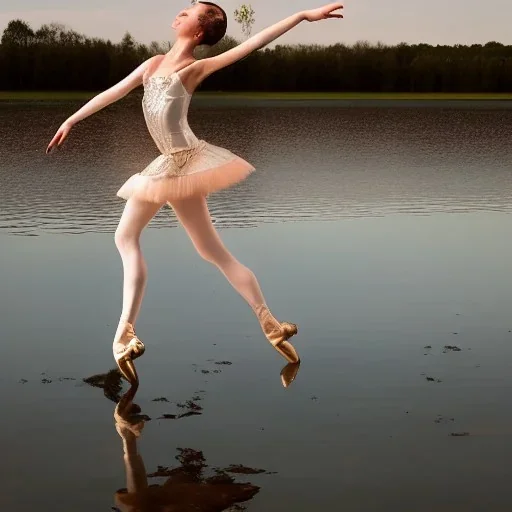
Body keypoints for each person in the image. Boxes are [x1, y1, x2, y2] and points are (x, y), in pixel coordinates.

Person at [46, 2, 344, 382]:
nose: (179, 14)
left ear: (200, 32)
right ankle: (270, 324)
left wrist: (302, 16)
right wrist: (71, 119)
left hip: (181, 161)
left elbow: (253, 43)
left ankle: (125, 334)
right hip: (172, 164)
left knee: (129, 237)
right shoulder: (152, 64)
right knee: (209, 251)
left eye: (188, 13)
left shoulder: (193, 68)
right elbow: (113, 92)